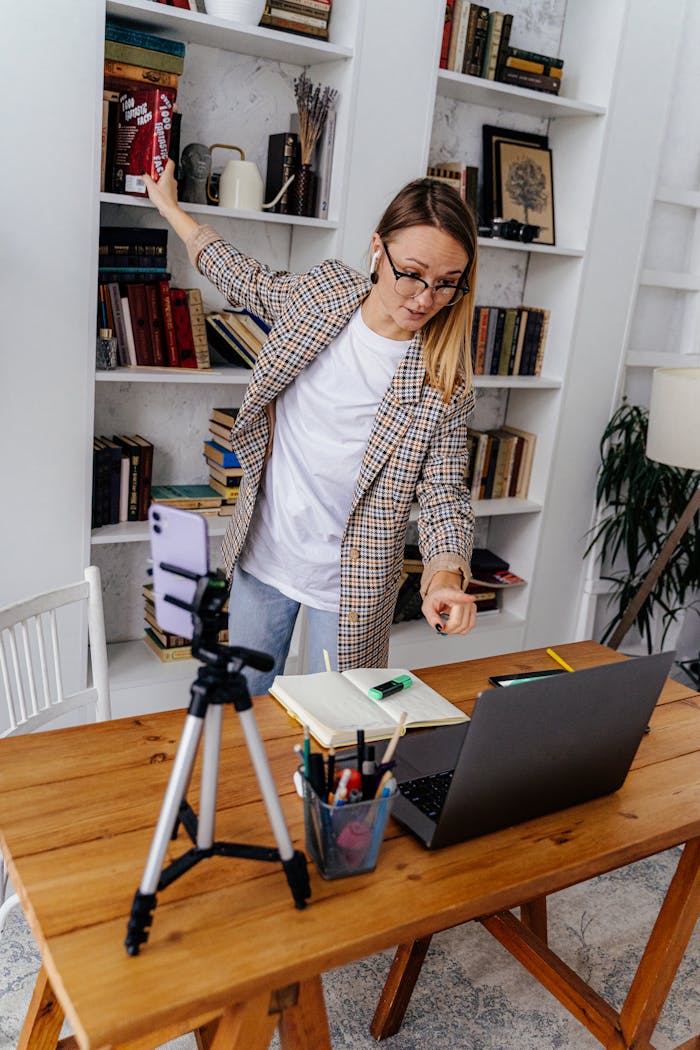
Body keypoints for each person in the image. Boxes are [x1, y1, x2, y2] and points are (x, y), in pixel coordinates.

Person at [143, 159, 479, 695]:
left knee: (339, 731)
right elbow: (243, 276)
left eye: (446, 285)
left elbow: (443, 493)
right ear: (377, 247)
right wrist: (170, 208)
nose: (424, 299)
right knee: (245, 707)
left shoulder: (445, 379)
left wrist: (445, 575)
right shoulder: (322, 296)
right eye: (411, 273)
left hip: (351, 584)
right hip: (265, 554)